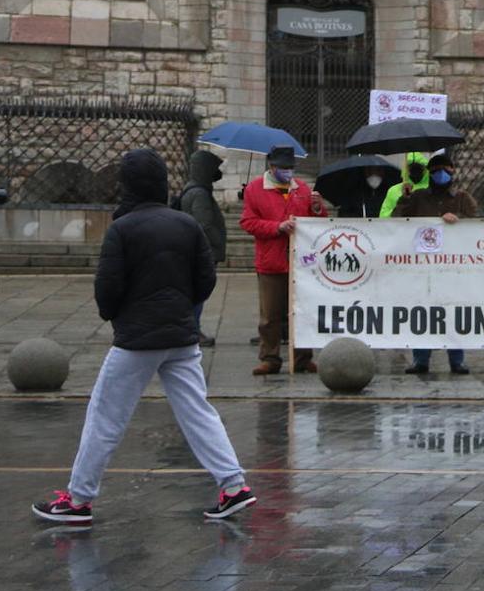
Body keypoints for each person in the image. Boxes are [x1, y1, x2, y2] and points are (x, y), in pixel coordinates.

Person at [30, 149, 257, 524]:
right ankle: (233, 485)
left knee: (105, 416)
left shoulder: (122, 227)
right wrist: (183, 307)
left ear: (127, 185)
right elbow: (206, 279)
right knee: (198, 411)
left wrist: (116, 315)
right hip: (181, 335)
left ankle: (78, 499)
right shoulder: (186, 224)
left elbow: (108, 288)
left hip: (137, 338)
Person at [240, 145, 327, 375]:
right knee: (270, 316)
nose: (287, 172)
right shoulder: (255, 189)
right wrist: (277, 227)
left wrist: (318, 209)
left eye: (290, 168)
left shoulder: (303, 189)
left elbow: (317, 224)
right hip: (271, 262)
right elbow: (248, 222)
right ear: (272, 167)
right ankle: (270, 357)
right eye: (282, 168)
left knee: (301, 312)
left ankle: (302, 358)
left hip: (301, 263)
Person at [392, 153, 477, 375]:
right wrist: (404, 199)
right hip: (422, 267)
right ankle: (421, 359)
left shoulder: (462, 198)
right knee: (422, 310)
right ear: (429, 173)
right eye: (437, 169)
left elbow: (478, 225)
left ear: (453, 172)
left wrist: (459, 218)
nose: (442, 173)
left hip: (453, 267)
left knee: (453, 311)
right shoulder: (418, 197)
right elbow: (394, 222)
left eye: (446, 169)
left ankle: (456, 360)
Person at [179, 149, 227, 347]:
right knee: (198, 292)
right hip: (202, 252)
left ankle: (191, 328)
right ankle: (193, 330)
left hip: (195, 250)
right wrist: (217, 243)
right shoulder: (199, 193)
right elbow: (205, 224)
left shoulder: (195, 190)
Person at [378, 151, 430, 218]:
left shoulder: (431, 189)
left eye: (420, 167)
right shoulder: (394, 190)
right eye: (411, 167)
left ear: (426, 169)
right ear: (405, 169)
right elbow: (383, 216)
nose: (415, 171)